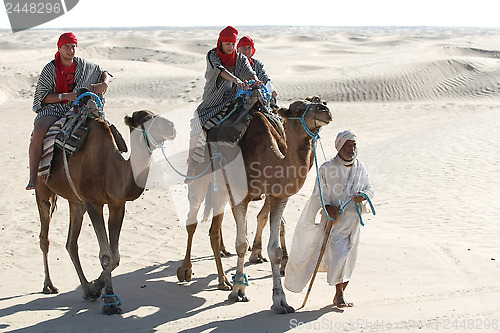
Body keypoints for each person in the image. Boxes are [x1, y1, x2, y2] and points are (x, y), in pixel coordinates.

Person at [284, 130, 374, 308]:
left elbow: (370, 189)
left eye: (353, 145)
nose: (351, 149)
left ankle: (340, 294)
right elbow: (319, 194)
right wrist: (327, 207)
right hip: (334, 223)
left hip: (353, 223)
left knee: (349, 259)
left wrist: (364, 195)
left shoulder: (360, 167)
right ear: (339, 147)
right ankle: (339, 294)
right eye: (347, 146)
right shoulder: (326, 168)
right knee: (338, 256)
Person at [26, 32, 109, 190]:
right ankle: (33, 177)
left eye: (73, 47)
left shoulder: (84, 66)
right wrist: (66, 96)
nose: (70, 51)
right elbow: (43, 97)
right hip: (55, 108)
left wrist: (105, 83)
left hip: (78, 107)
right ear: (59, 48)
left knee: (102, 128)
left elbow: (103, 72)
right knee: (39, 129)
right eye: (67, 47)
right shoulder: (50, 69)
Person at [186, 26, 261, 180]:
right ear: (220, 43)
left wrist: (255, 79)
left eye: (233, 44)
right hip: (213, 101)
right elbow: (220, 70)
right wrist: (236, 79)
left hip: (234, 99)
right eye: (228, 44)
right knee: (198, 124)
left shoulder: (240, 58)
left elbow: (249, 70)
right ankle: (192, 165)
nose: (231, 47)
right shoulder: (212, 55)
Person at [236, 36, 277, 102]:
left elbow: (264, 79)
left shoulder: (258, 64)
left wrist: (271, 90)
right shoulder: (232, 64)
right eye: (243, 47)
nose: (246, 51)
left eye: (249, 48)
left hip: (257, 96)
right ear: (238, 49)